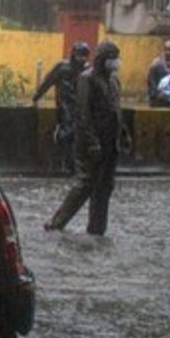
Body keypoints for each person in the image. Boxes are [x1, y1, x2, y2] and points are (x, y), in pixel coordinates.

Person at [44, 40, 124, 235]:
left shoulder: (113, 80)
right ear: (102, 59)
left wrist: (123, 134)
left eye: (116, 58)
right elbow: (83, 114)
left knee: (105, 186)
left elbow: (116, 110)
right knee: (85, 183)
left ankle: (97, 229)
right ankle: (56, 223)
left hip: (110, 141)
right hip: (90, 141)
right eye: (112, 58)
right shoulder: (86, 79)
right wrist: (92, 141)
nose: (115, 62)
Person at [32, 41, 90, 174]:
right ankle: (65, 163)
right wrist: (37, 97)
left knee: (79, 136)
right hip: (65, 106)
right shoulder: (62, 67)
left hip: (81, 107)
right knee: (66, 134)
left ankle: (74, 165)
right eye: (79, 55)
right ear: (73, 55)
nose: (81, 59)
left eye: (84, 56)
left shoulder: (87, 70)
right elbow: (48, 82)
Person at [147, 40, 170, 107]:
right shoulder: (156, 63)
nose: (168, 52)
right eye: (166, 49)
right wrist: (156, 94)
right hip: (158, 100)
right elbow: (151, 80)